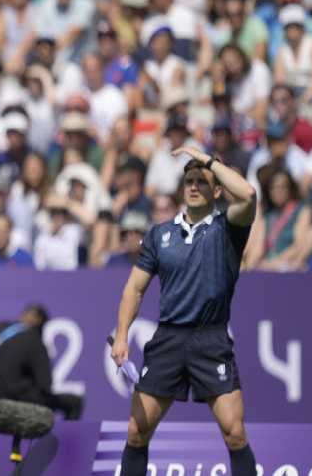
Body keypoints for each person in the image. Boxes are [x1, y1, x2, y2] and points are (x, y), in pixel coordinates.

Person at [110, 146, 258, 475]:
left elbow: (248, 193)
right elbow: (134, 289)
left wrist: (208, 160)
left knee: (235, 434)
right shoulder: (160, 234)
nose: (193, 186)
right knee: (136, 432)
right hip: (169, 338)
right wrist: (121, 337)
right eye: (188, 180)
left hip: (211, 339)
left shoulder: (228, 227)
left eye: (202, 181)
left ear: (217, 188)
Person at [0, 304, 83, 420]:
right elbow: (45, 385)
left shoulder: (1, 332)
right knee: (75, 403)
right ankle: (64, 438)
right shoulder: (36, 342)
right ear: (41, 323)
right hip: (16, 400)